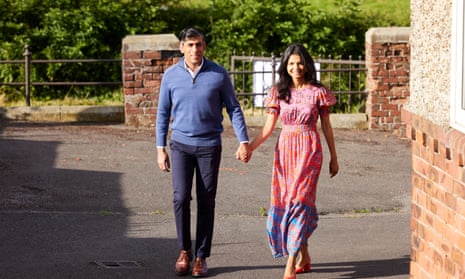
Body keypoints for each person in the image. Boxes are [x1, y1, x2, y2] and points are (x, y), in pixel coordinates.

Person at [156, 26, 251, 278]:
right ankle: (183, 251)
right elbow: (163, 113)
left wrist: (243, 141)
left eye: (198, 44)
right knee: (180, 198)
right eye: (189, 45)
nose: (194, 49)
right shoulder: (171, 75)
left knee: (207, 201)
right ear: (182, 48)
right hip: (180, 145)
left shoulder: (218, 74)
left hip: (209, 146)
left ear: (204, 46)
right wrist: (160, 148)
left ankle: (201, 256)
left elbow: (234, 108)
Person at [239, 43, 339, 279]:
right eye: (291, 63)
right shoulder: (278, 92)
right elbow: (268, 128)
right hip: (285, 151)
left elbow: (326, 126)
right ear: (285, 65)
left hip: (309, 149)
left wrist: (334, 157)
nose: (296, 67)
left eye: (300, 62)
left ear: (307, 64)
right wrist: (250, 148)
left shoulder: (318, 92)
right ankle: (304, 254)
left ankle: (290, 263)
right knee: (286, 201)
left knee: (299, 200)